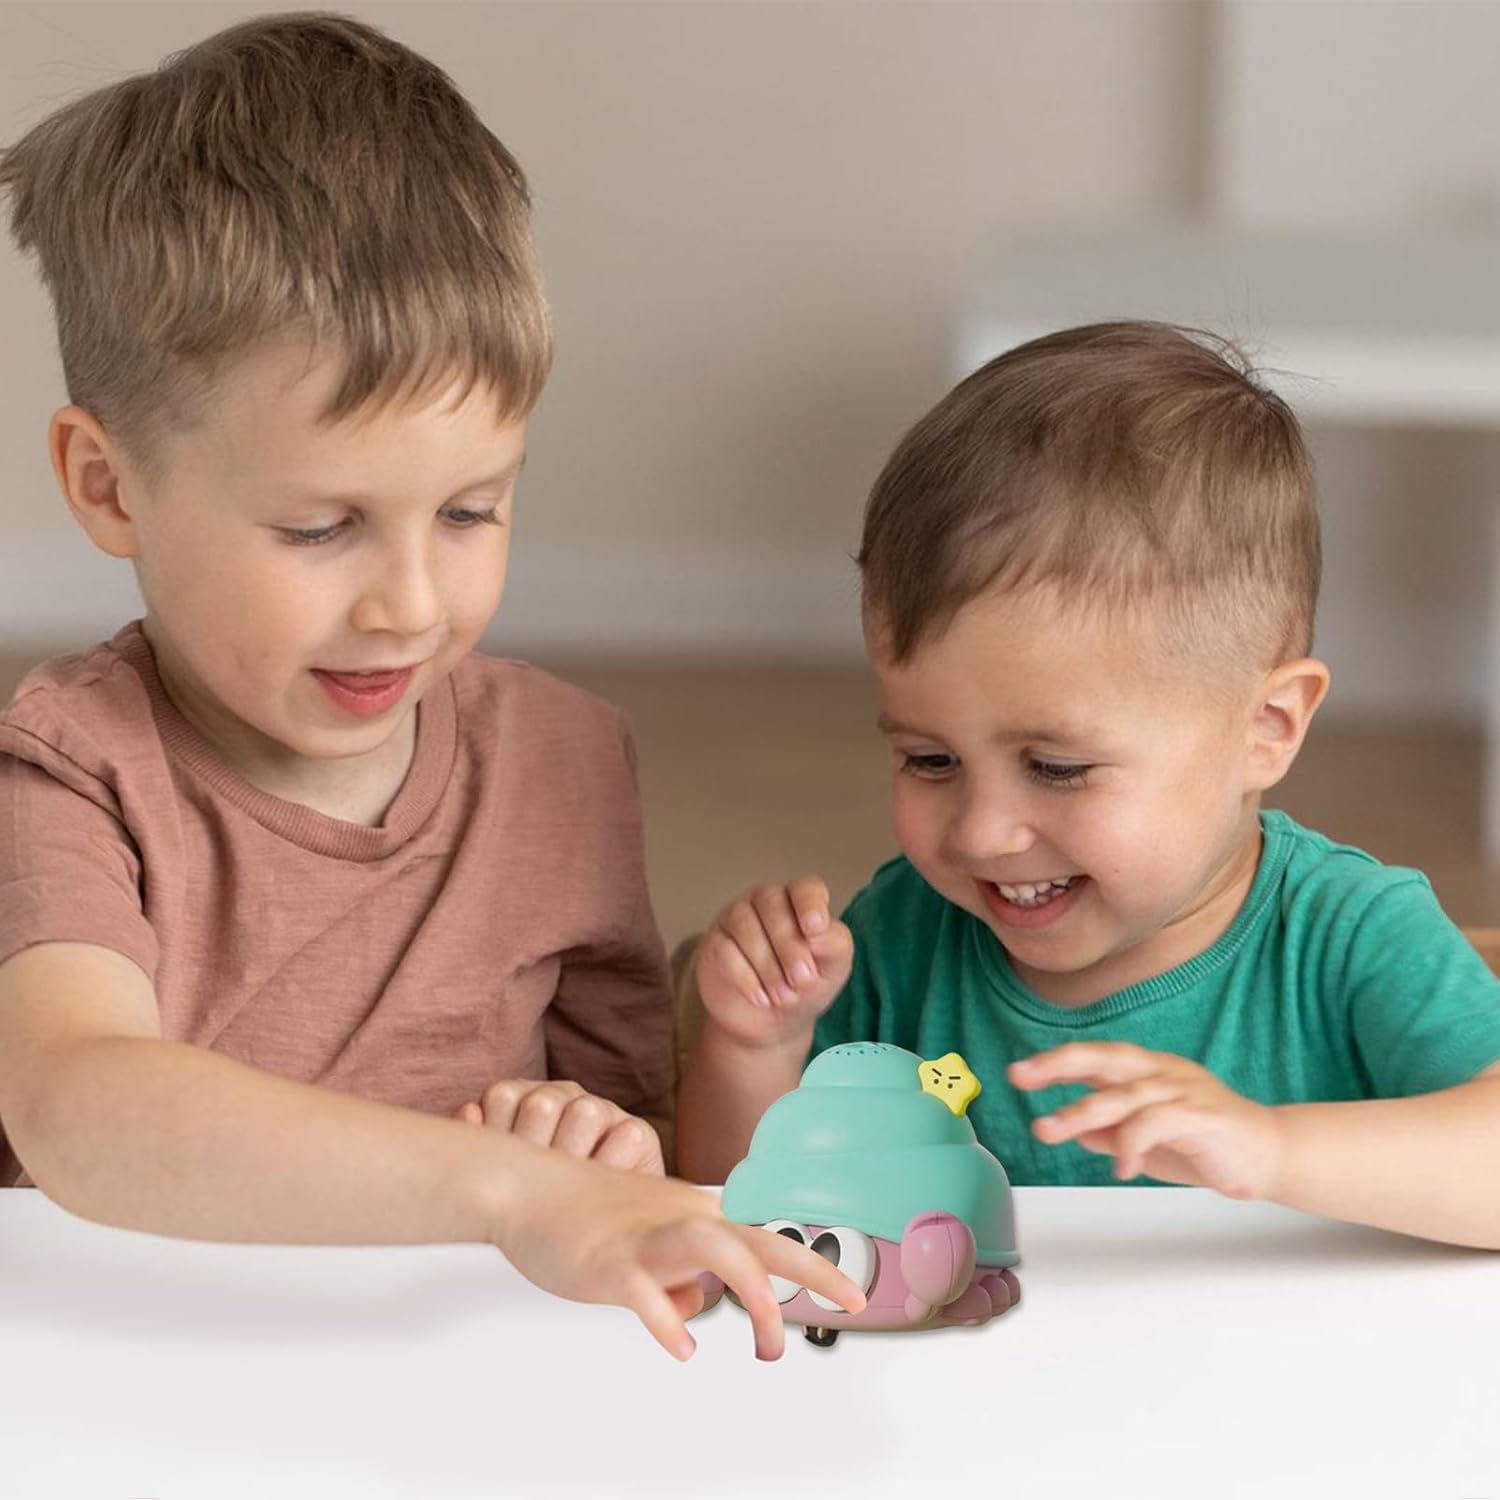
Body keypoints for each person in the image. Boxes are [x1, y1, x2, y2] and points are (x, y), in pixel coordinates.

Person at [0, 11, 862, 1361]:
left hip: (452, 1376)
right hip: (130, 1372)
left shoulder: (563, 760)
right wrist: (507, 1190)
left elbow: (636, 1156)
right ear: (109, 486)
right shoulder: (69, 767)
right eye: (319, 528)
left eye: (470, 512)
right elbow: (78, 1109)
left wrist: (594, 1144)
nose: (409, 604)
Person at [678, 321, 1500, 1250]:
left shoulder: (1352, 936)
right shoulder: (903, 938)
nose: (982, 832)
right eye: (930, 760)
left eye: (1057, 768)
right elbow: (749, 1222)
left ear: (1266, 728)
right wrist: (754, 1049)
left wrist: (1273, 1151)